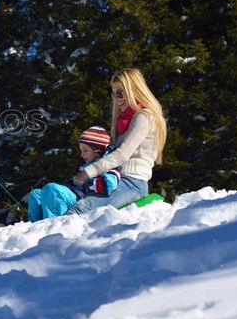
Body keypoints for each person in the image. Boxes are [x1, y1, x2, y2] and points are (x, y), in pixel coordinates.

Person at [65, 68, 167, 215]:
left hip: (132, 182)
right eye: (114, 93)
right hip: (114, 178)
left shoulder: (144, 117)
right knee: (65, 201)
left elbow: (121, 155)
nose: (117, 98)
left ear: (135, 90)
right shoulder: (123, 120)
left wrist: (88, 173)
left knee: (79, 211)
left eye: (121, 92)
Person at [27, 126, 122, 222]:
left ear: (98, 150)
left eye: (85, 150)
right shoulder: (86, 165)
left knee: (52, 189)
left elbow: (108, 185)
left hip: (82, 200)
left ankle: (53, 228)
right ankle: (36, 229)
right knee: (36, 194)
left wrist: (84, 182)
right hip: (72, 195)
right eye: (81, 151)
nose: (82, 154)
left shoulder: (107, 164)